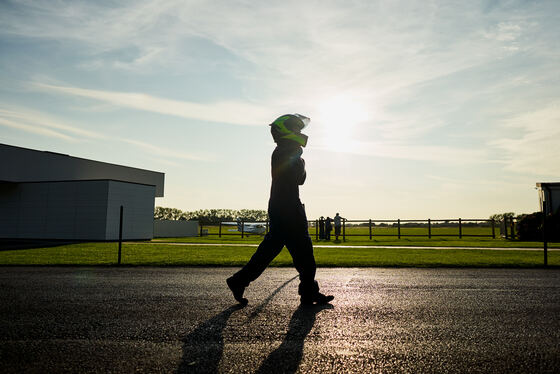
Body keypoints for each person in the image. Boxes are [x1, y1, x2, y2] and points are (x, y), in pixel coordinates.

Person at [227, 114, 334, 306]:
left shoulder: (285, 150)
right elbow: (299, 178)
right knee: (304, 254)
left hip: (281, 205)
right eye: (296, 129)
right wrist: (300, 158)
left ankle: (239, 281)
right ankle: (308, 293)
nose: (299, 132)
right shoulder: (286, 151)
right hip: (288, 208)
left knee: (272, 251)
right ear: (287, 130)